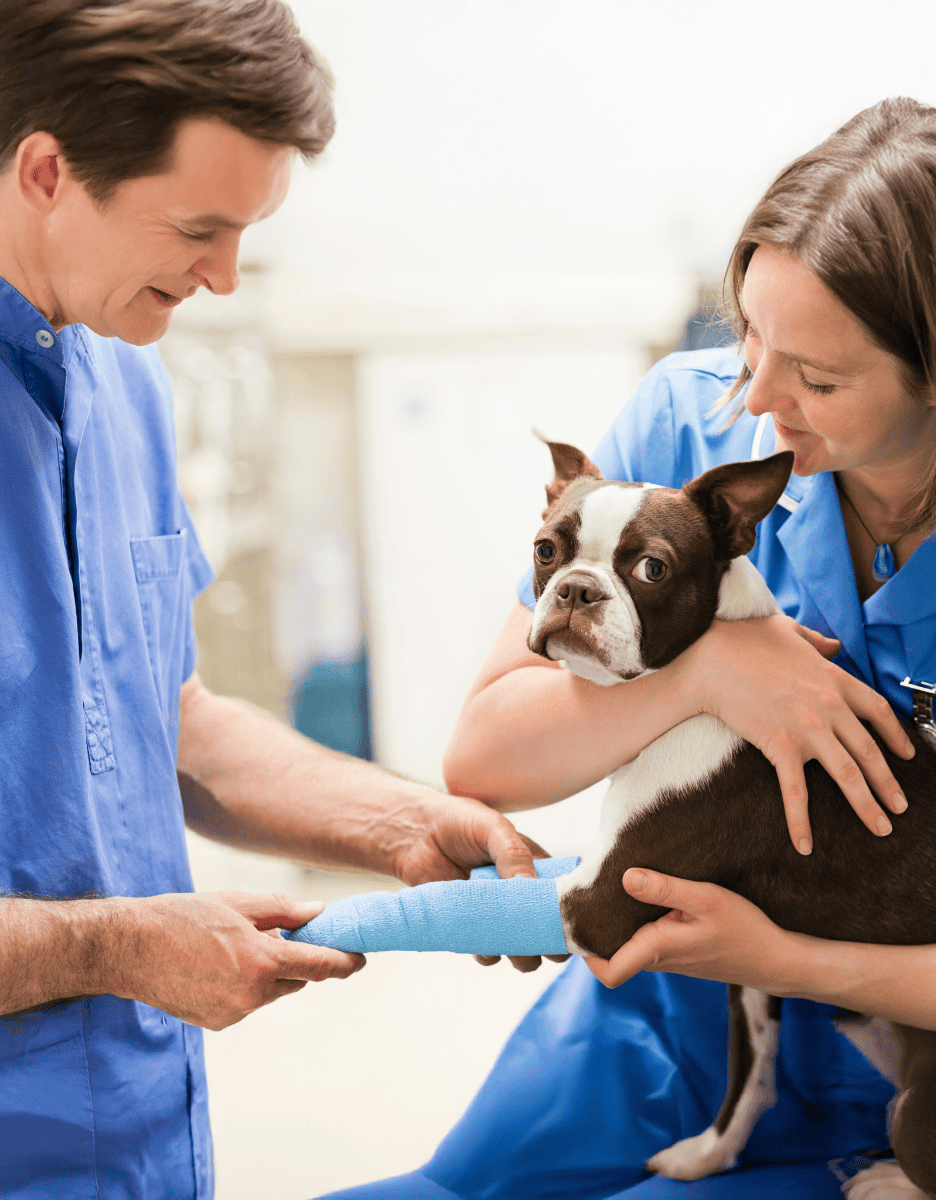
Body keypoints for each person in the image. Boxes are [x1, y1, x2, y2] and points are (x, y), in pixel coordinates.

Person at [332, 99, 936, 1199]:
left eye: (817, 378)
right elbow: (486, 756)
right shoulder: (692, 431)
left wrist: (784, 960)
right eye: (750, 336)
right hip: (672, 1019)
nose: (759, 399)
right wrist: (712, 670)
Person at [0, 4, 547, 1197]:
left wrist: (400, 824)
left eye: (244, 232)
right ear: (45, 172)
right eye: (198, 229)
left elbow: (174, 721)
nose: (225, 276)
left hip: (145, 1137)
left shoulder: (122, 381)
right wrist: (111, 946)